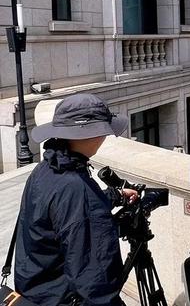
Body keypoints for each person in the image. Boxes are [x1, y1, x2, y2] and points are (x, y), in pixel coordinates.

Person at [13, 94, 138, 306]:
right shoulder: (76, 188)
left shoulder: (45, 169)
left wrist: (114, 196)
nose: (104, 137)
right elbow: (95, 280)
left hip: (37, 291)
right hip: (62, 298)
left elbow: (66, 212)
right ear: (88, 135)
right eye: (103, 131)